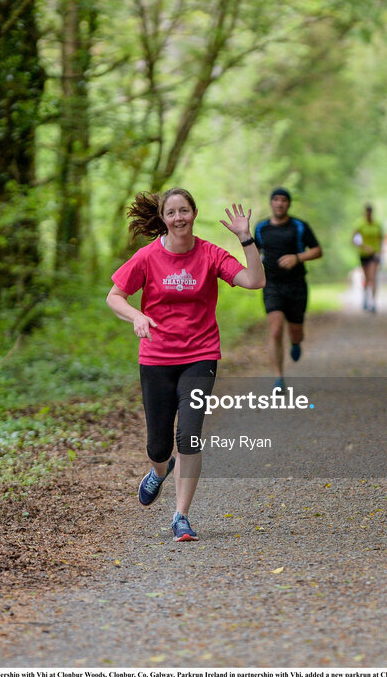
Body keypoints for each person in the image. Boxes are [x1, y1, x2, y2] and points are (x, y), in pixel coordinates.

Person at [106, 188, 265, 542]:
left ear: (194, 213)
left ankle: (181, 516)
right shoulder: (147, 257)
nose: (179, 218)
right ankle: (159, 471)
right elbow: (114, 296)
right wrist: (136, 316)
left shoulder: (210, 254)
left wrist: (246, 238)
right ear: (163, 218)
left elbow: (255, 281)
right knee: (159, 446)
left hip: (200, 354)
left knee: (189, 435)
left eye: (184, 211)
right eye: (172, 212)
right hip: (157, 358)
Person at [254, 187, 322, 391]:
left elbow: (318, 250)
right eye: (276, 199)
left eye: (284, 200)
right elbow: (255, 251)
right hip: (272, 285)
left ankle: (295, 342)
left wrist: (298, 257)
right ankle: (278, 377)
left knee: (296, 331)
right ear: (271, 203)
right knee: (275, 330)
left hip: (296, 286)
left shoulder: (300, 226)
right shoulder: (261, 227)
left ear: (288, 204)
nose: (280, 203)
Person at [352, 203, 382, 313]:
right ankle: (365, 296)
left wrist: (379, 251)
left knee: (372, 277)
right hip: (363, 254)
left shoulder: (377, 224)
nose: (368, 214)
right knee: (366, 277)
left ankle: (373, 302)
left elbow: (380, 238)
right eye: (367, 212)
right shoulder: (360, 224)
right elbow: (354, 240)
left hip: (374, 254)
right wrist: (364, 247)